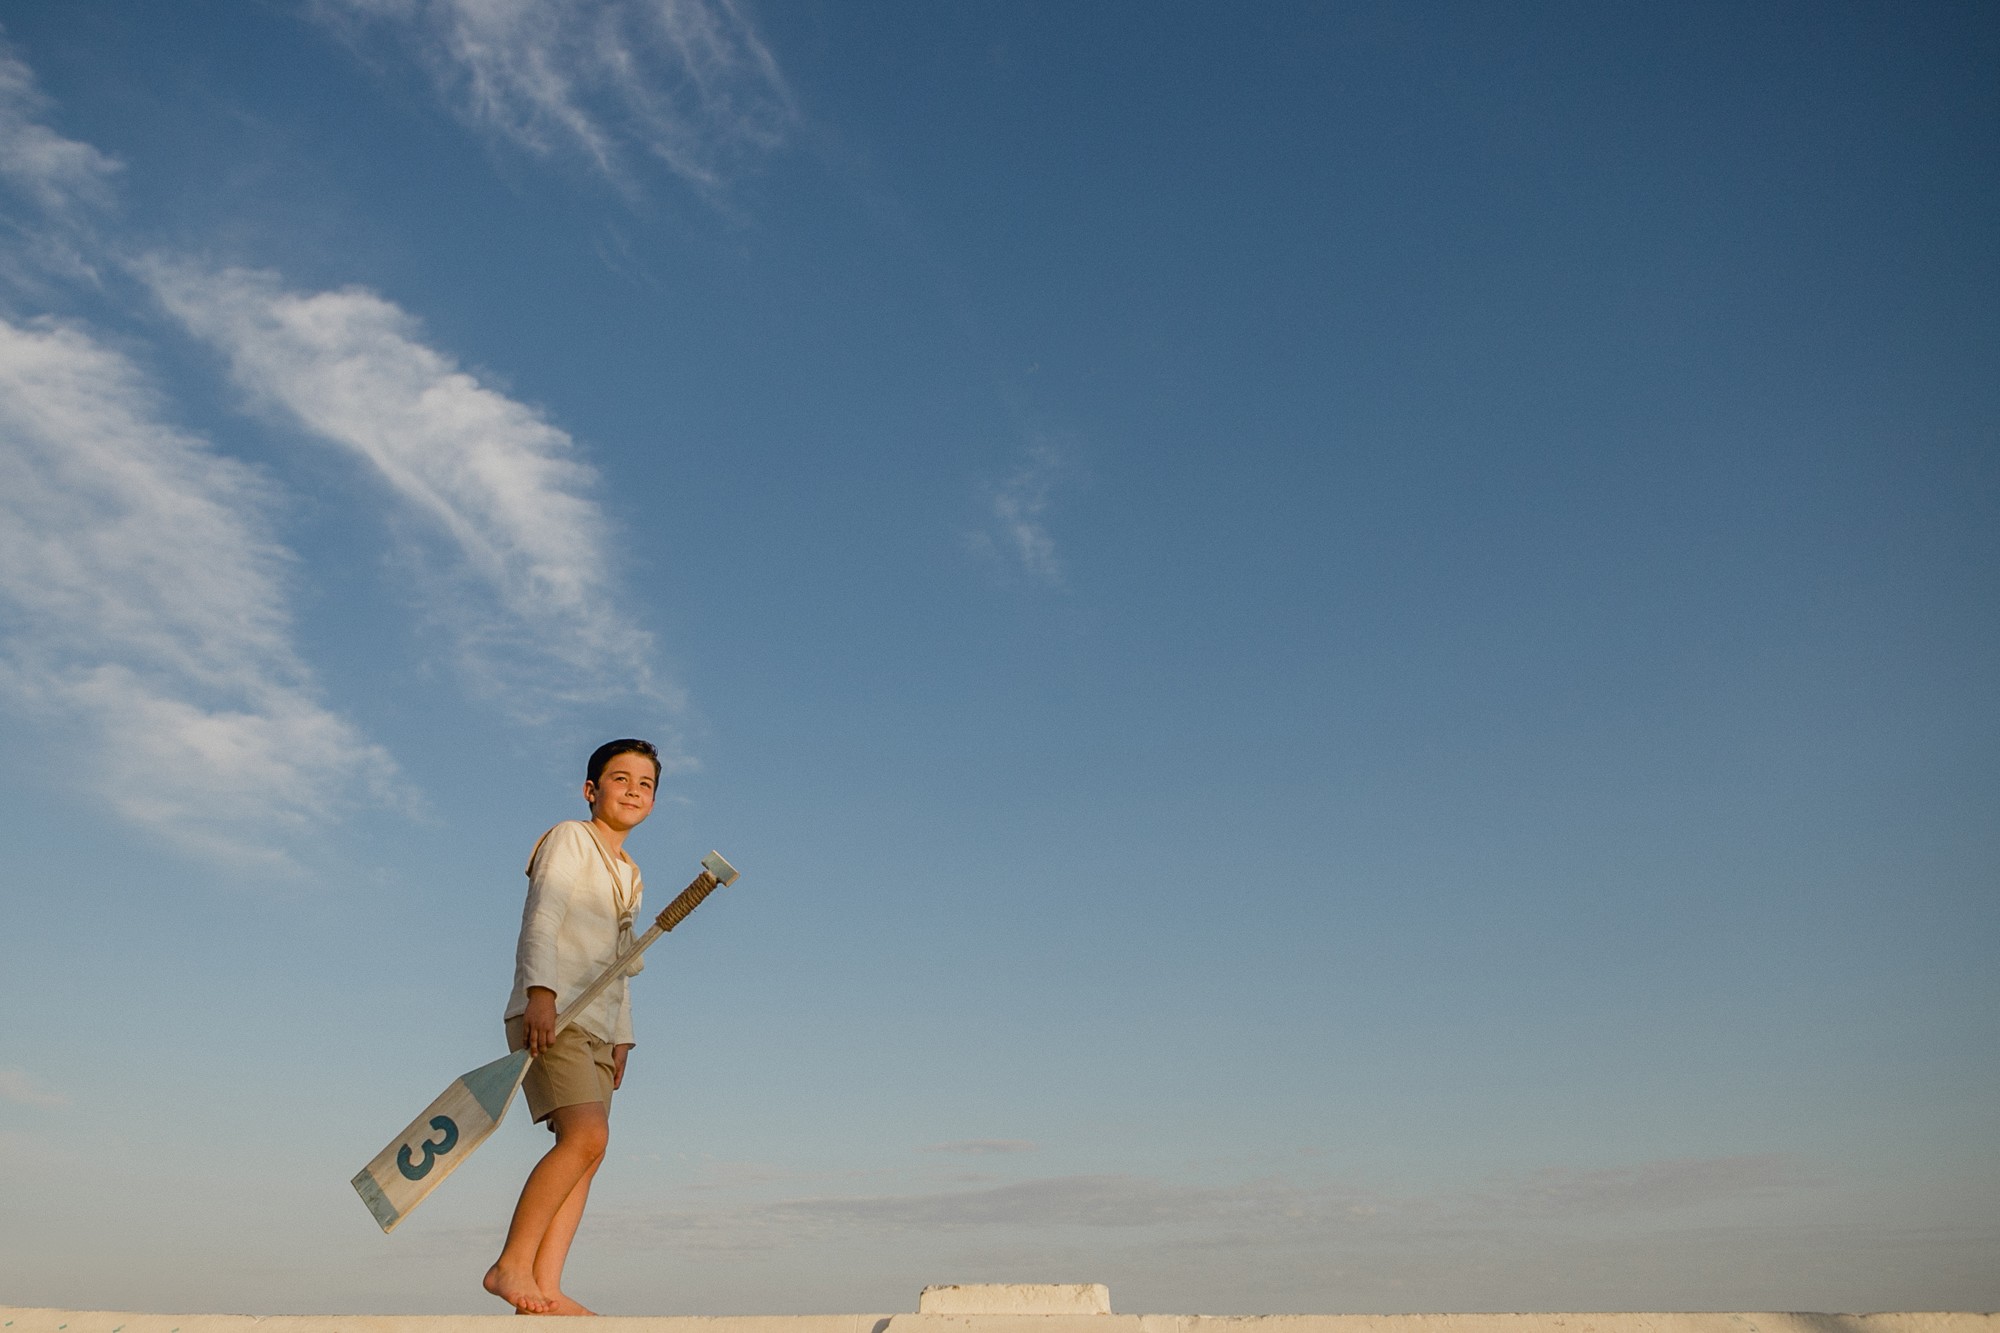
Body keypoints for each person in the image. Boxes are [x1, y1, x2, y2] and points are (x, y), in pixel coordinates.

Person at [483, 738, 661, 1316]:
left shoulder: (631, 873)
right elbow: (543, 918)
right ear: (592, 790)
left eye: (645, 784)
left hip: (599, 1030)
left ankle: (547, 1286)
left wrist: (623, 1035)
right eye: (620, 779)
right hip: (554, 1014)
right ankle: (511, 1266)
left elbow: (621, 962)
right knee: (587, 1136)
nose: (633, 791)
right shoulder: (570, 839)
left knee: (586, 1149)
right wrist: (539, 993)